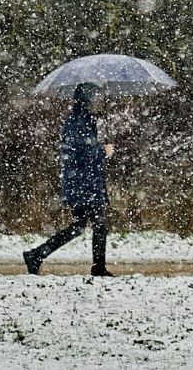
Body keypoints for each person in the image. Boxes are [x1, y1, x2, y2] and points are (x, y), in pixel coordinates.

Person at [23, 82, 114, 277]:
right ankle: (98, 268)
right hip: (82, 184)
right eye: (95, 98)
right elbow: (80, 154)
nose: (98, 102)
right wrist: (102, 151)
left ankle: (36, 254)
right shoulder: (77, 123)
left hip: (85, 183)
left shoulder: (84, 120)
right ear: (86, 100)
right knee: (97, 224)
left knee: (81, 226)